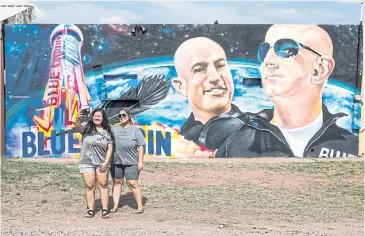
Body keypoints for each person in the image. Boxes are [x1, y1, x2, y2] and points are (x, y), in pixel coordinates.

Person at [216, 24, 358, 158]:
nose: (268, 60)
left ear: (320, 69)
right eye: (264, 51)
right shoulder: (235, 141)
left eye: (287, 50)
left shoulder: (351, 147)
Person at [173, 37, 244, 150]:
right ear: (181, 86)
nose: (215, 77)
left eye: (220, 66)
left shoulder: (257, 137)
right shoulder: (187, 135)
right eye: (199, 69)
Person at [75, 108, 114, 218]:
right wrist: (78, 118)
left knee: (103, 185)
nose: (97, 118)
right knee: (89, 186)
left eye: (99, 116)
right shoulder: (86, 127)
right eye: (95, 116)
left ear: (103, 118)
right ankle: (90, 209)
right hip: (86, 162)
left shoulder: (107, 131)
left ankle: (105, 209)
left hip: (102, 163)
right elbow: (78, 127)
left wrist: (106, 162)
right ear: (92, 117)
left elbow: (110, 148)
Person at [110, 107, 146, 214]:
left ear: (129, 116)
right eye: (120, 116)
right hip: (116, 161)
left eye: (124, 115)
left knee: (132, 183)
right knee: (117, 182)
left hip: (131, 161)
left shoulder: (135, 130)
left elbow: (141, 146)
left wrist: (140, 162)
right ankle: (115, 206)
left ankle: (140, 207)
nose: (121, 117)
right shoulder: (114, 129)